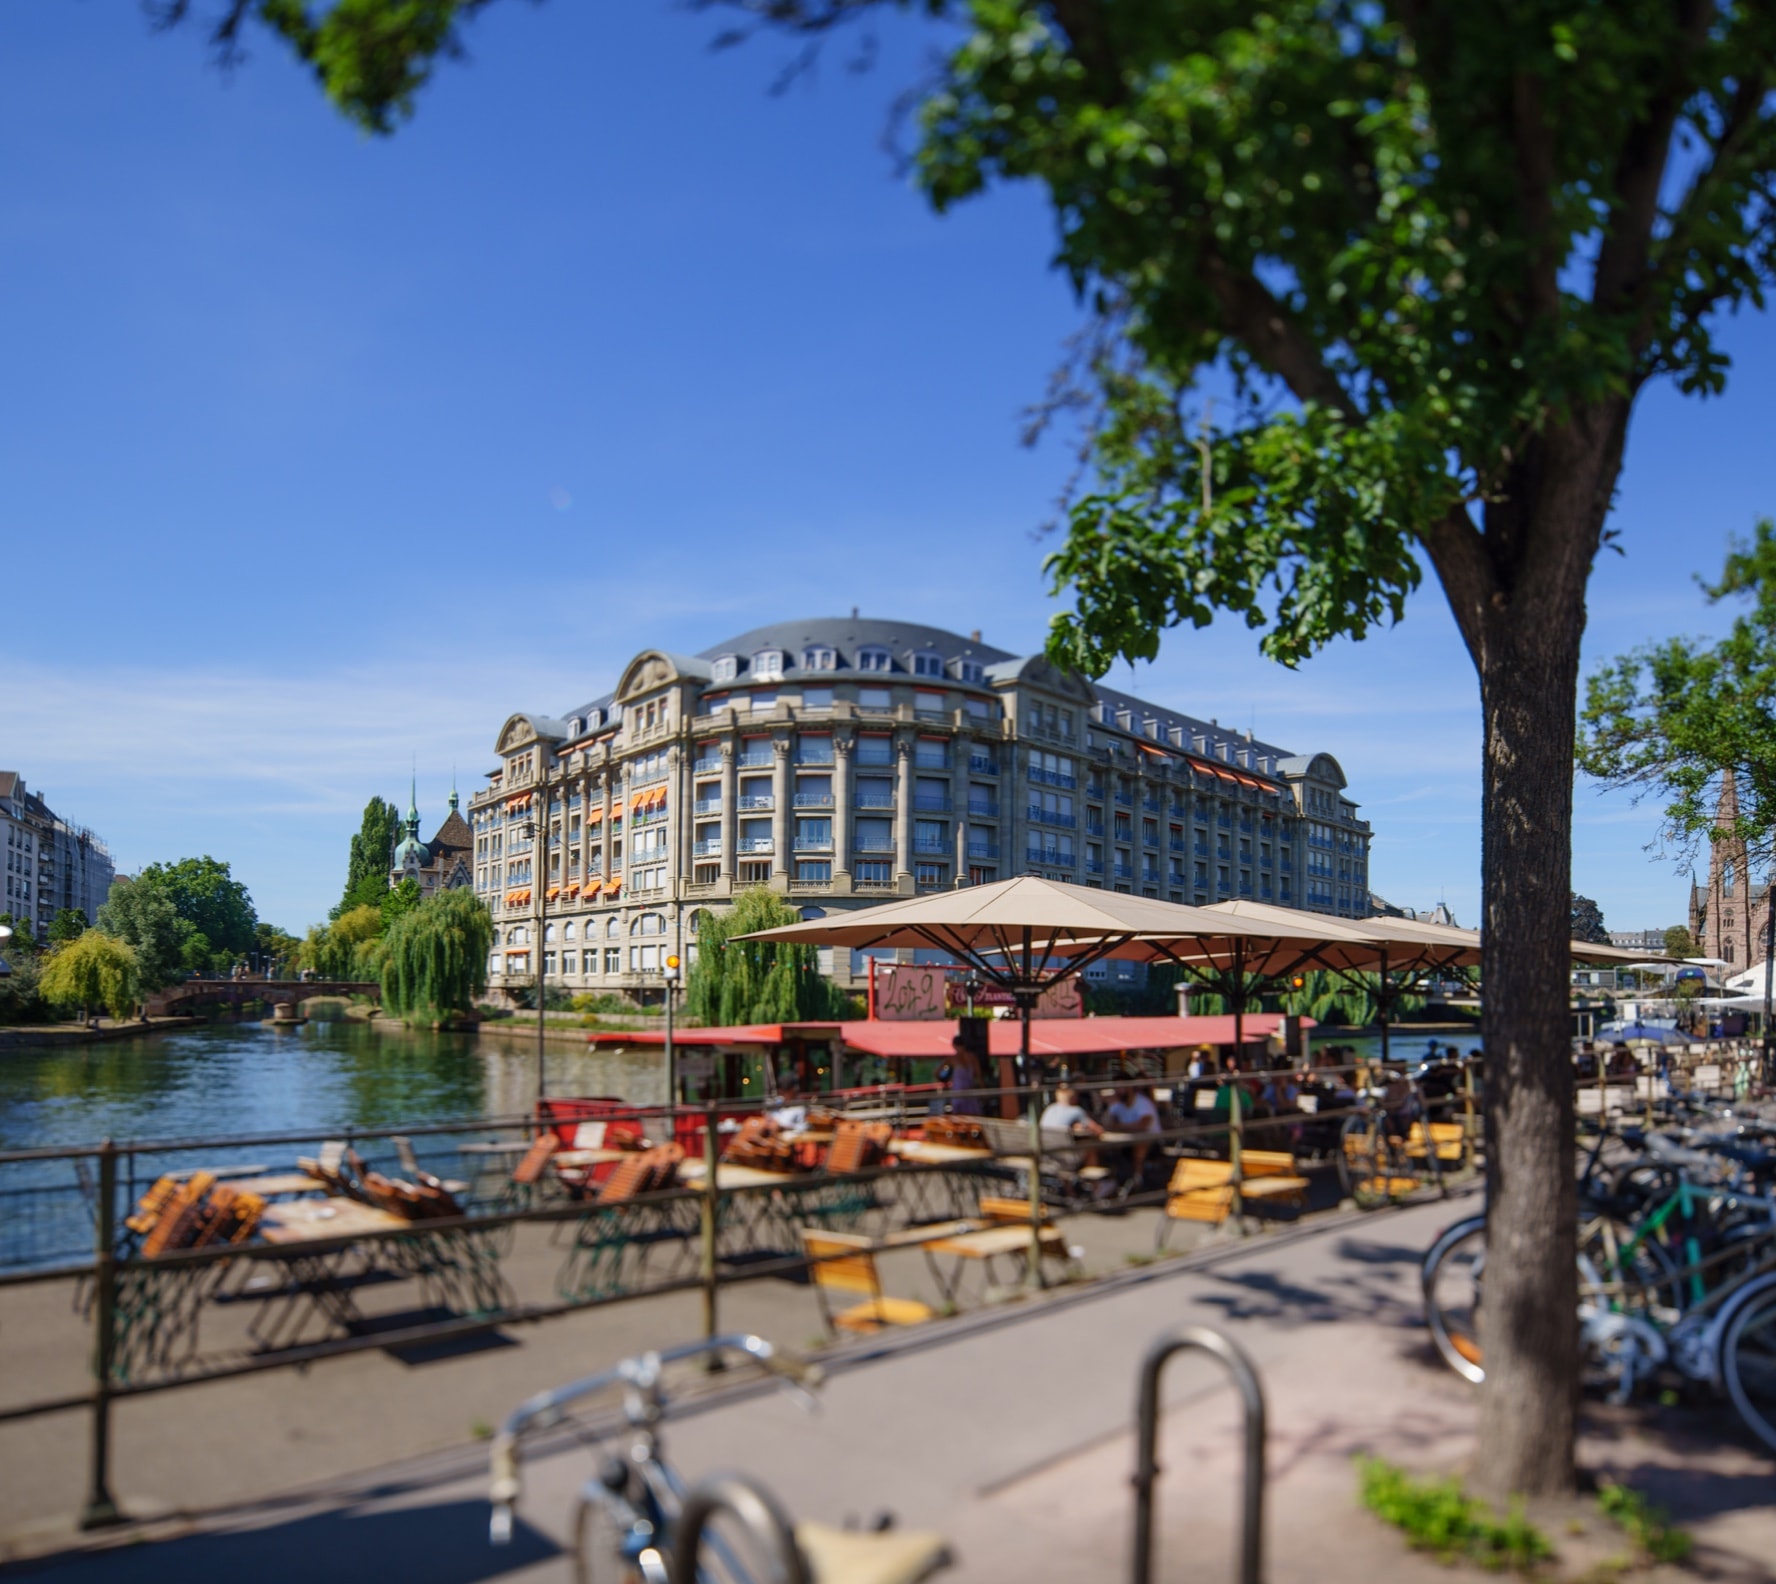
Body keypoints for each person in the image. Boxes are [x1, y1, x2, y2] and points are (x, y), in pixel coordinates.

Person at [1104, 1082, 1160, 1181]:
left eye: (1120, 1089)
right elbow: (1107, 1124)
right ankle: (1111, 1179)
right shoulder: (1118, 1104)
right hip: (1125, 1139)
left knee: (1140, 1143)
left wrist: (1119, 1126)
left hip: (1151, 1140)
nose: (1117, 1092)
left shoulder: (1143, 1103)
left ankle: (1137, 1177)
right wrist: (1109, 1106)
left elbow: (1143, 1125)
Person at [1039, 1082, 1102, 1163]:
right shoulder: (1076, 1111)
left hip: (1046, 1155)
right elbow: (1098, 1131)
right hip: (1066, 1158)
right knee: (1089, 1144)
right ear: (1074, 1096)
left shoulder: (1049, 1109)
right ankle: (1093, 1173)